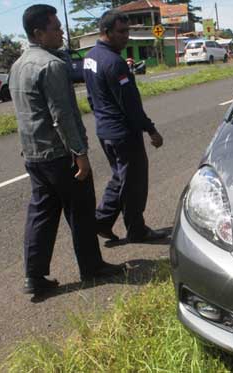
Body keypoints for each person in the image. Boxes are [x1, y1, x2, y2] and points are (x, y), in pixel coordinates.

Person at [10, 4, 122, 294]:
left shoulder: (18, 65)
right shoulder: (52, 65)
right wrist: (80, 154)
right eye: (56, 27)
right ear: (38, 33)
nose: (61, 32)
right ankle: (92, 267)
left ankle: (33, 277)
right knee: (81, 210)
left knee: (41, 215)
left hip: (34, 155)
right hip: (60, 155)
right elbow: (63, 115)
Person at [83, 10, 168, 243]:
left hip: (105, 130)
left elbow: (92, 97)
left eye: (128, 31)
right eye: (121, 32)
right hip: (122, 133)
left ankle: (102, 220)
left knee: (120, 177)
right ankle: (137, 230)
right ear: (106, 31)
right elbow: (130, 105)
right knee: (135, 183)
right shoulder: (114, 62)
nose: (126, 37)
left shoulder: (90, 57)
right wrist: (151, 129)